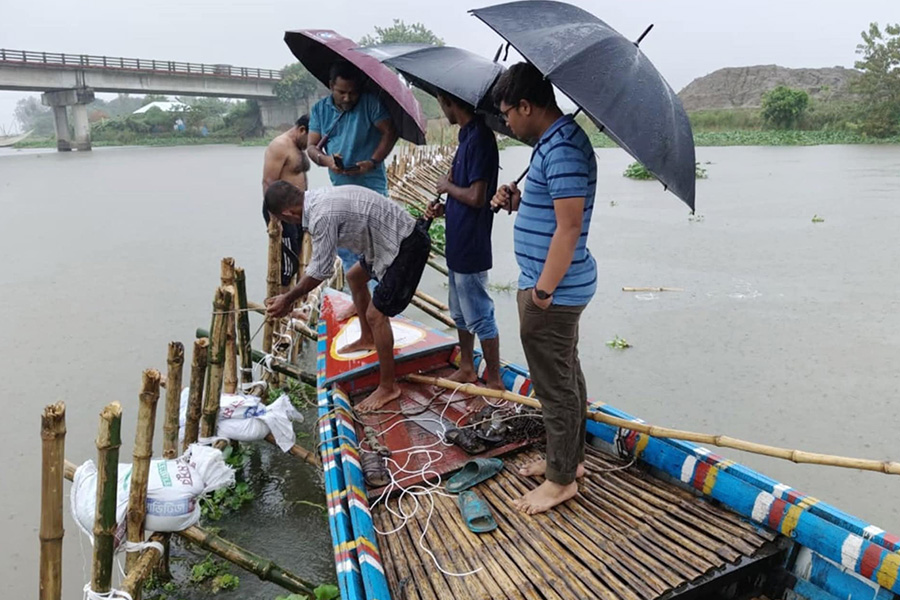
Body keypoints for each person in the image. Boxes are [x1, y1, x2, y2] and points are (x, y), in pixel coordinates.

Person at [490, 63, 598, 515]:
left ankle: (560, 481)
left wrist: (542, 294)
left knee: (554, 387)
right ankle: (569, 462)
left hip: (551, 291)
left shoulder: (564, 149)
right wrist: (519, 200)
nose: (507, 123)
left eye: (508, 114)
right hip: (550, 285)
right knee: (565, 375)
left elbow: (569, 229)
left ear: (527, 106)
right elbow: (553, 212)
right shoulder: (551, 145)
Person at [264, 181, 431, 411]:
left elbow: (321, 270)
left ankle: (388, 386)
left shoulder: (321, 215)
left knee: (377, 315)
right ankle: (368, 337)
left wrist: (289, 298)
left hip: (405, 245)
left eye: (283, 220)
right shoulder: (315, 200)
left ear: (289, 213)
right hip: (384, 243)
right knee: (354, 277)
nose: (287, 224)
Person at [424, 92, 503, 409]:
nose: (443, 111)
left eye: (442, 104)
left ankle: (494, 379)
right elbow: (464, 196)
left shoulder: (480, 138)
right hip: (458, 238)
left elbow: (477, 196)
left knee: (480, 312)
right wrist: (445, 208)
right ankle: (467, 367)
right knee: (458, 311)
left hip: (471, 243)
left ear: (448, 102)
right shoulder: (467, 135)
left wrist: (446, 187)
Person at [307, 60, 399, 318]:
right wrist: (326, 160)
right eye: (341, 92)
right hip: (341, 189)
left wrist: (372, 162)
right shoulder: (320, 110)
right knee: (347, 249)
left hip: (371, 187)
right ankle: (359, 302)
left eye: (352, 92)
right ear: (330, 87)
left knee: (376, 250)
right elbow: (312, 147)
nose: (347, 98)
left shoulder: (369, 103)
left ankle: (379, 306)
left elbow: (389, 132)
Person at [262, 115, 310, 286]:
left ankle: (296, 300)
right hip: (282, 210)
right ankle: (282, 301)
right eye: (311, 138)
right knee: (288, 263)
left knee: (301, 252)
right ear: (302, 130)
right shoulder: (280, 145)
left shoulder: (299, 147)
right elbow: (268, 181)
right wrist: (275, 219)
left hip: (299, 208)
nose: (312, 143)